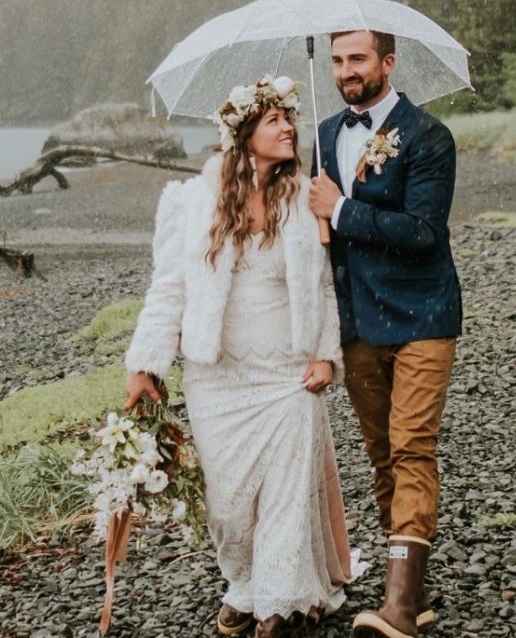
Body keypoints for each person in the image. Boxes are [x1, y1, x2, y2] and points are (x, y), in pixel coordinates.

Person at [124, 76, 352, 637]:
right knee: (229, 502)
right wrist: (145, 362)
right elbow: (169, 286)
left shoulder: (305, 197)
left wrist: (326, 355)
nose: (287, 127)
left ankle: (276, 600)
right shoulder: (193, 199)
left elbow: (324, 286)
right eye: (273, 119)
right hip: (217, 375)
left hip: (288, 371)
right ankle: (244, 584)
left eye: (288, 119)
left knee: (287, 490)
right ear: (244, 133)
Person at [308, 30, 461, 638]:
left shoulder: (428, 137)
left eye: (359, 59)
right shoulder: (321, 139)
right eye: (340, 60)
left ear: (387, 63)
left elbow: (422, 229)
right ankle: (412, 592)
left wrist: (340, 209)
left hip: (423, 313)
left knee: (411, 446)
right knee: (380, 456)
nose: (347, 70)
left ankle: (398, 608)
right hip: (357, 321)